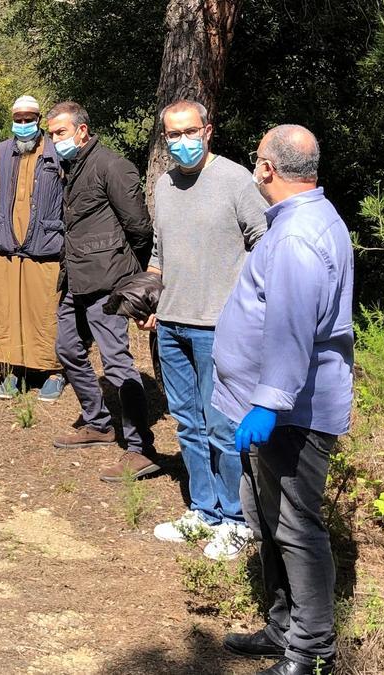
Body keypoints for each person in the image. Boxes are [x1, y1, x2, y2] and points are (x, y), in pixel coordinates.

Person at [214, 125, 353, 675]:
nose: (255, 167)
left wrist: (268, 403)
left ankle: (312, 650)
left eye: (256, 159)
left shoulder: (298, 237)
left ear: (267, 169)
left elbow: (293, 329)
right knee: (268, 518)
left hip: (289, 415)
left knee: (296, 527)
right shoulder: (300, 221)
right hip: (269, 409)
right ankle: (282, 628)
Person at [141, 100, 268, 561]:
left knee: (223, 425)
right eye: (172, 135)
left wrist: (244, 303)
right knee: (188, 422)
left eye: (189, 132)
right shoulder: (164, 184)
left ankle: (237, 520)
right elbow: (159, 250)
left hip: (221, 327)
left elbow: (263, 244)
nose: (181, 142)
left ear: (208, 130)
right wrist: (148, 294)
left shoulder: (236, 180)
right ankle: (204, 511)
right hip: (171, 325)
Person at [46, 101, 156, 482]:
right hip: (75, 279)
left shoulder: (111, 165)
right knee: (67, 349)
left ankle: (142, 447)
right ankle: (98, 423)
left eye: (59, 132)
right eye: (51, 134)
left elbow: (139, 228)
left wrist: (129, 274)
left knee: (116, 363)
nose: (53, 140)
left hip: (108, 281)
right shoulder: (71, 167)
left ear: (82, 130)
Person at [0, 95, 66, 402]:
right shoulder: (2, 152)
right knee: (8, 310)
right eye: (18, 120)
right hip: (7, 246)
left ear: (39, 120)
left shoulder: (55, 153)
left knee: (46, 310)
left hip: (44, 247)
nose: (23, 125)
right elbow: (0, 191)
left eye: (29, 120)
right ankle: (13, 371)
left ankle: (52, 371)